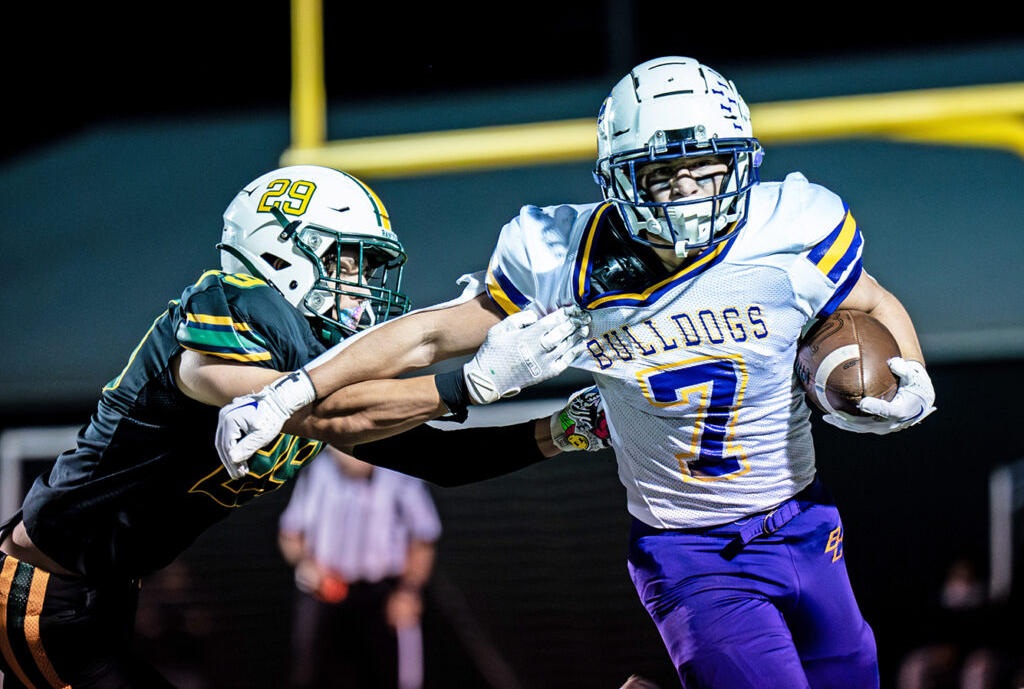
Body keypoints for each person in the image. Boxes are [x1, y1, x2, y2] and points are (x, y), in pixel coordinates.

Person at [217, 57, 938, 688]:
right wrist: (293, 390)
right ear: (621, 181)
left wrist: (916, 378)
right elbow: (430, 333)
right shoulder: (564, 258)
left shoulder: (791, 228)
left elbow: (872, 299)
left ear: (739, 161)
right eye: (663, 173)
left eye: (706, 167)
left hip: (807, 519)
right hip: (692, 551)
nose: (688, 191)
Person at [0, 164, 585, 688]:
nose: (362, 284)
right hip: (43, 589)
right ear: (279, 254)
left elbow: (441, 458)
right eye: (346, 260)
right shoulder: (231, 314)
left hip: (101, 590)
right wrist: (467, 384)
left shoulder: (313, 366)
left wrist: (567, 426)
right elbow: (325, 412)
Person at [278, 446, 441, 689]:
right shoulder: (316, 471)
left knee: (386, 676)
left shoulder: (400, 475)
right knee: (313, 675)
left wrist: (409, 591)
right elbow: (290, 534)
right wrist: (306, 565)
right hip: (327, 594)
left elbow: (424, 538)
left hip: (383, 595)